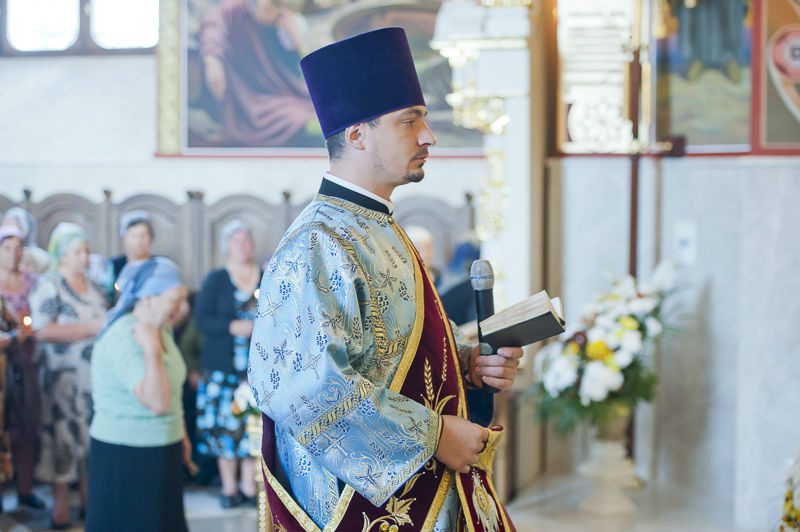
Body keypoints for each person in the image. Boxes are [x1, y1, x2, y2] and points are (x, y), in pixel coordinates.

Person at [248, 28, 523, 530]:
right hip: (360, 508)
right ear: (357, 135)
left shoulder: (379, 225)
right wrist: (434, 436)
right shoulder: (316, 242)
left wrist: (468, 364)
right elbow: (303, 387)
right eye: (409, 120)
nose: (428, 136)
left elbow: (390, 346)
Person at [86, 257, 190, 532]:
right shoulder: (124, 334)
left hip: (163, 446)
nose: (181, 307)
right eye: (174, 299)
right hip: (127, 453)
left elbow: (173, 387)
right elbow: (157, 402)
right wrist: (152, 351)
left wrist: (180, 432)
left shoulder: (162, 329)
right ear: (149, 297)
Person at [28, 222, 107, 529]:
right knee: (62, 439)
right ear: (62, 254)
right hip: (61, 380)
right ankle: (60, 506)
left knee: (90, 439)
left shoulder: (94, 286)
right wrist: (91, 328)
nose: (84, 257)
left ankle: (90, 503)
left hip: (94, 380)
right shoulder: (49, 284)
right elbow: (42, 329)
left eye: (86, 251)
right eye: (77, 251)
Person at [195, 220, 259, 508]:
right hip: (222, 369)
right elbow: (201, 319)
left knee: (250, 427)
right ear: (227, 246)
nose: (243, 246)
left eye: (247, 240)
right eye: (237, 241)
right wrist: (231, 326)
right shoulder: (217, 279)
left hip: (255, 369)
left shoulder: (265, 275)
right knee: (225, 429)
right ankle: (229, 487)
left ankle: (248, 486)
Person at [198, 0, 320, 147]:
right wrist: (212, 60)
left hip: (282, 92)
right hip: (247, 98)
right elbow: (213, 26)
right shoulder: (234, 10)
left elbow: (305, 70)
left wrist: (297, 41)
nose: (271, 10)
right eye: (270, 5)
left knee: (311, 110)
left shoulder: (287, 24)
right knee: (291, 117)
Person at [0, 225, 45, 511]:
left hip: (27, 360)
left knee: (25, 427)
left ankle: (25, 490)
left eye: (18, 248)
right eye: (7, 248)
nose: (13, 254)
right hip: (1, 363)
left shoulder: (33, 282)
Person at [111, 210, 155, 285]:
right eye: (134, 236)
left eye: (143, 236)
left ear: (151, 238)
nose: (139, 241)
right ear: (124, 239)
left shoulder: (159, 265)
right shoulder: (113, 267)